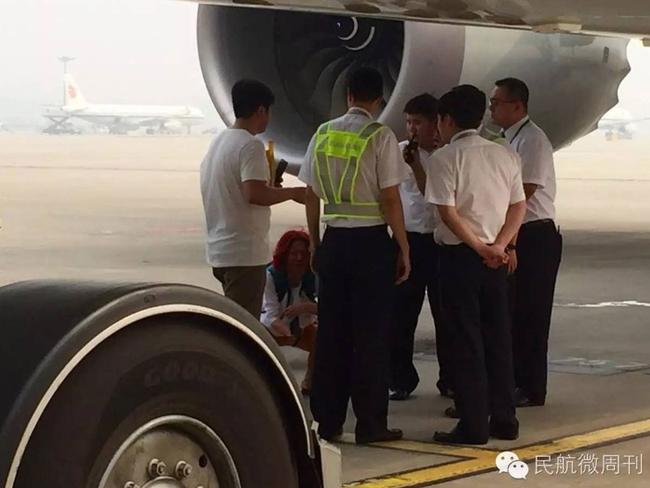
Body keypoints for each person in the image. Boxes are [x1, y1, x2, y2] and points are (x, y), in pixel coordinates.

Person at [299, 66, 410, 444]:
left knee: (331, 334)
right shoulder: (380, 136)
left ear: (347, 96)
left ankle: (327, 421)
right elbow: (391, 197)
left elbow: (311, 194)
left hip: (334, 244)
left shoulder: (323, 133)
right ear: (378, 100)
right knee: (371, 336)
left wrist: (315, 243)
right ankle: (370, 423)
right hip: (371, 245)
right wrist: (403, 246)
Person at [426, 85, 526, 445]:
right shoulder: (504, 154)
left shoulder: (445, 158)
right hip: (496, 260)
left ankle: (472, 424)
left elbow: (447, 214)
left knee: (465, 342)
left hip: (460, 259)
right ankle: (504, 418)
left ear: (448, 120)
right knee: (498, 339)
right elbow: (519, 206)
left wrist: (478, 247)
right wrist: (498, 245)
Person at [200, 79, 305, 318]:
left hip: (220, 251)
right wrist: (293, 193)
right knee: (245, 325)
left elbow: (240, 189)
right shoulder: (250, 146)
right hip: (244, 255)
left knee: (234, 319)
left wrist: (269, 188)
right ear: (260, 110)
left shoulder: (218, 142)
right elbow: (255, 194)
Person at [490, 77, 563, 408]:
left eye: (497, 102)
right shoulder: (508, 138)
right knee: (514, 312)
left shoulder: (532, 140)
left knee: (531, 314)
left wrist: (510, 241)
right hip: (519, 230)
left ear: (517, 106)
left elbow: (525, 192)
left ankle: (532, 387)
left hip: (533, 234)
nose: (492, 108)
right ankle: (517, 380)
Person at [389, 94, 454, 401]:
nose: (411, 129)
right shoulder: (398, 153)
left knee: (447, 314)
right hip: (410, 240)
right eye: (408, 122)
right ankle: (400, 378)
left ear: (435, 123)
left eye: (418, 122)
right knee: (402, 314)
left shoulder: (448, 154)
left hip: (441, 241)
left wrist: (417, 167)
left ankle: (450, 379)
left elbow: (435, 195)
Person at [261, 230, 318, 394]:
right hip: (273, 330)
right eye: (294, 254)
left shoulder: (313, 277)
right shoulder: (270, 276)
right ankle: (269, 385)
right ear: (284, 255)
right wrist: (286, 332)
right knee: (260, 338)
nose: (299, 258)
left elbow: (330, 308)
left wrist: (303, 308)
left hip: (301, 329)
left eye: (304, 254)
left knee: (324, 338)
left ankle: (310, 382)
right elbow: (269, 315)